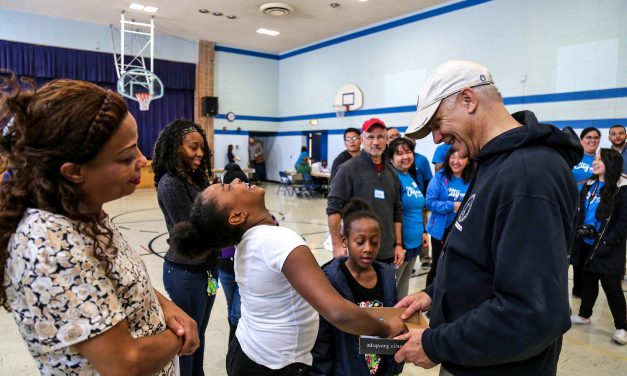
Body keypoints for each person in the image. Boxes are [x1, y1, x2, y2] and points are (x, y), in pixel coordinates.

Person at [0, 76, 199, 375]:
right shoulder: (48, 244)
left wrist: (166, 307)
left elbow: (117, 281)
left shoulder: (85, 212)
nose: (142, 160)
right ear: (74, 171)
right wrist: (179, 335)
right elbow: (123, 363)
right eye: (126, 156)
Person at [398, 60, 583, 375]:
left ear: (469, 100)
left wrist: (435, 345)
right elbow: (485, 262)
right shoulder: (495, 164)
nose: (437, 139)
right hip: (470, 359)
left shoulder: (527, 175)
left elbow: (530, 313)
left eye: (438, 123)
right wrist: (435, 294)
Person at [169, 179, 406, 375]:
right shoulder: (279, 241)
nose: (237, 180)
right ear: (237, 216)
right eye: (229, 187)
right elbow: (337, 312)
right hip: (276, 367)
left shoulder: (248, 239)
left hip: (245, 354)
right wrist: (385, 330)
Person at [311, 198, 403, 375]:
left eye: (375, 242)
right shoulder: (331, 280)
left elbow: (394, 323)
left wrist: (395, 366)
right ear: (345, 240)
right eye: (360, 242)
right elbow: (321, 340)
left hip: (381, 368)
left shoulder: (388, 277)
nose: (368, 248)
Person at [152, 119, 215, 376]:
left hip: (208, 270)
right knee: (187, 340)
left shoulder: (198, 180)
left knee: (198, 336)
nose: (200, 153)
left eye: (202, 148)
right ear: (176, 148)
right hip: (186, 273)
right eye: (193, 147)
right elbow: (192, 234)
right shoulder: (171, 183)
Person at [327, 118, 405, 268]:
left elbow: (397, 211)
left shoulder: (392, 173)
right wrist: (337, 244)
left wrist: (398, 244)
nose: (375, 142)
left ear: (386, 140)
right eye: (370, 137)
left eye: (380, 137)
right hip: (358, 253)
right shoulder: (347, 170)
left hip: (387, 252)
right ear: (362, 139)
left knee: (385, 291)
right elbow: (333, 208)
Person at [569, 149, 627, 345]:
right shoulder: (590, 185)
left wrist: (608, 240)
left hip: (608, 247)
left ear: (610, 163)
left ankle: (622, 327)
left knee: (612, 288)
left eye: (599, 159)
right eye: (595, 159)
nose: (594, 162)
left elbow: (623, 221)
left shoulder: (622, 188)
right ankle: (584, 315)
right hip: (586, 244)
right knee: (588, 282)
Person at [424, 148, 474, 288]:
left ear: (468, 160)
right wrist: (452, 205)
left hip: (461, 230)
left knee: (456, 266)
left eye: (460, 158)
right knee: (437, 267)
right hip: (441, 231)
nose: (456, 161)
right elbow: (430, 202)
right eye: (452, 157)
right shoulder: (440, 177)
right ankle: (429, 298)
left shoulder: (473, 178)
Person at [387, 137, 428, 298]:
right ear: (391, 158)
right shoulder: (392, 178)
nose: (405, 157)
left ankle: (400, 317)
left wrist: (423, 232)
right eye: (399, 154)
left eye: (408, 152)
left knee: (404, 283)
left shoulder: (410, 175)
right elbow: (390, 214)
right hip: (401, 245)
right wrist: (397, 244)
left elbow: (418, 209)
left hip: (414, 241)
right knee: (392, 286)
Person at [218, 164, 250, 345]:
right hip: (226, 268)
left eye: (243, 184)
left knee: (237, 312)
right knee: (232, 310)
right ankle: (233, 346)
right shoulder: (220, 210)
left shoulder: (253, 210)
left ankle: (237, 347)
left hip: (245, 270)